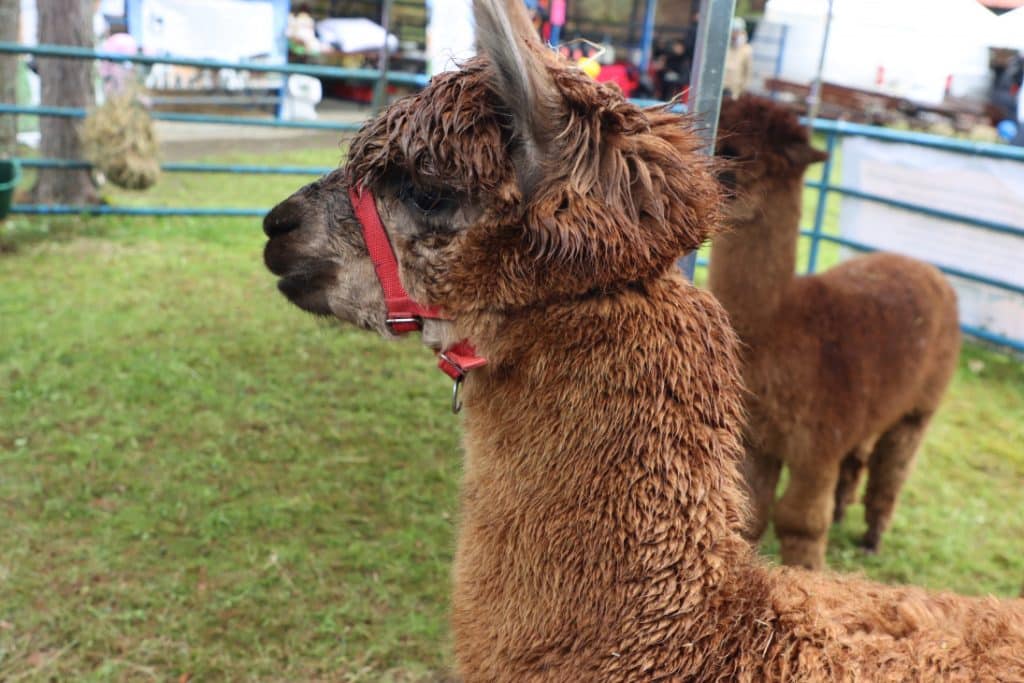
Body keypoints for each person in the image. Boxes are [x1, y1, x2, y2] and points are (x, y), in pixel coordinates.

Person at [723, 17, 753, 98]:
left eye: (737, 31)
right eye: (732, 31)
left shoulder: (747, 49)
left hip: (735, 90)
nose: (734, 34)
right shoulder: (724, 46)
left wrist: (743, 89)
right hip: (721, 87)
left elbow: (748, 72)